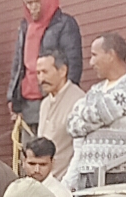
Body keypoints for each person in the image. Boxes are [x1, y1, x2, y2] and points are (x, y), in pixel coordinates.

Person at [68, 32, 126, 189]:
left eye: (94, 55)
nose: (91, 62)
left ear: (110, 55)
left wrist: (83, 114)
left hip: (114, 172)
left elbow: (104, 112)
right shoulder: (95, 89)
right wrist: (93, 117)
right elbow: (71, 125)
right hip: (85, 171)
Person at [8, 0, 82, 127]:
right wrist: (12, 97)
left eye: (37, 1)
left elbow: (73, 63)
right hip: (28, 103)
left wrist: (65, 98)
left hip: (53, 99)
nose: (33, 7)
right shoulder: (24, 27)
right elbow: (17, 64)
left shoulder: (65, 24)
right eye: (29, 3)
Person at [33, 51, 87, 181]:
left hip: (66, 184)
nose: (41, 79)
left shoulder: (79, 101)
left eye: (45, 72)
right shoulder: (45, 103)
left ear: (62, 71)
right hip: (44, 184)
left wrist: (67, 182)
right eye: (38, 73)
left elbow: (81, 151)